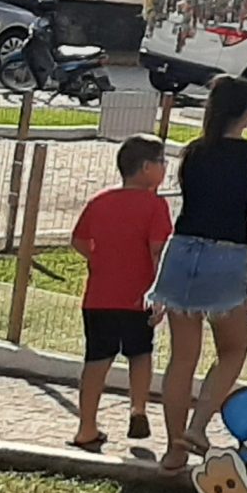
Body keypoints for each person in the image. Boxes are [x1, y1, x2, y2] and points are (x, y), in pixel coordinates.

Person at [150, 75, 247, 473]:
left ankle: (173, 449)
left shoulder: (193, 152)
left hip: (182, 251)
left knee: (181, 358)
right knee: (234, 349)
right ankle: (199, 427)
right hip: (227, 255)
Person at [70, 135, 172, 451]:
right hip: (137, 296)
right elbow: (159, 251)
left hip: (99, 297)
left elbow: (78, 240)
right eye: (162, 162)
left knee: (96, 360)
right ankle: (137, 409)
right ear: (146, 168)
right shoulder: (156, 205)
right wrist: (161, 294)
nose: (165, 168)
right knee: (140, 354)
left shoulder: (99, 201)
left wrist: (100, 258)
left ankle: (86, 426)